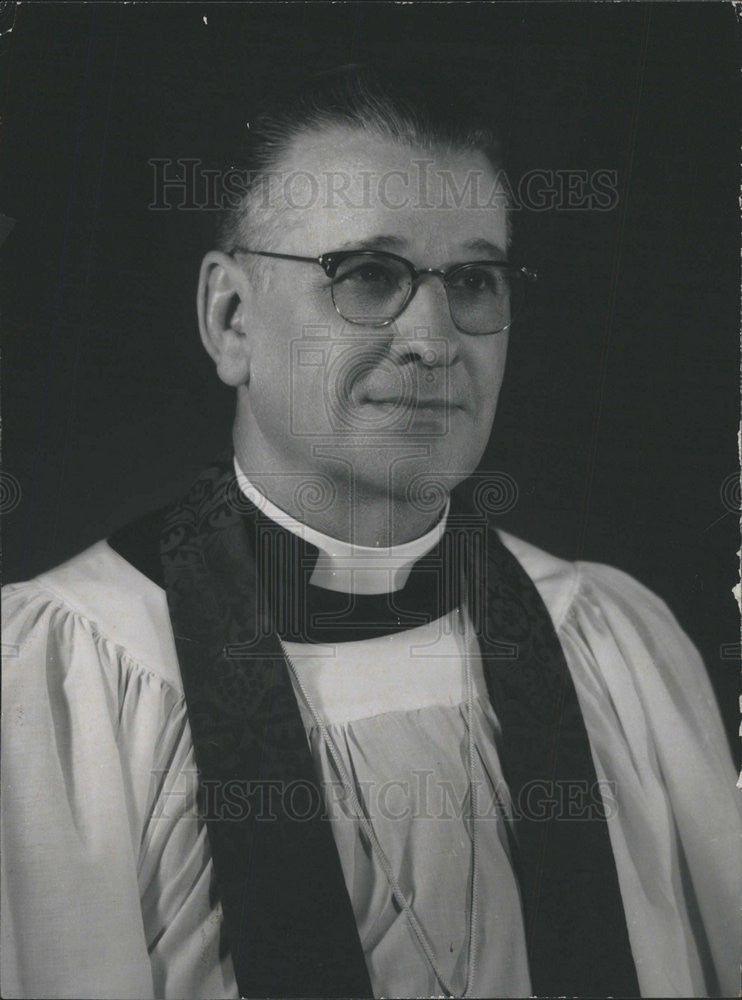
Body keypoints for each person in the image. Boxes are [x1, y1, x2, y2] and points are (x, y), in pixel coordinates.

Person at [2, 67, 739, 1000]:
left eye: (472, 281)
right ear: (230, 319)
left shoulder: (612, 645)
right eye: (368, 275)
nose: (433, 339)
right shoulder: (65, 687)